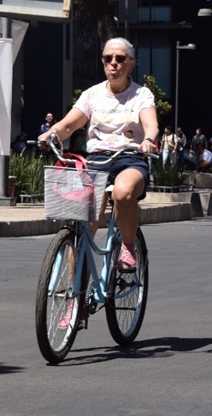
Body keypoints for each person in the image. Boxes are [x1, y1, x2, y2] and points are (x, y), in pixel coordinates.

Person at [38, 38, 157, 271]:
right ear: (103, 63)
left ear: (131, 64)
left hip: (130, 158)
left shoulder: (142, 94)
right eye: (108, 59)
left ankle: (128, 245)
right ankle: (75, 296)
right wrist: (50, 135)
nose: (114, 63)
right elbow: (68, 125)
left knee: (123, 192)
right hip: (96, 161)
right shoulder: (92, 94)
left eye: (120, 59)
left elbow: (150, 124)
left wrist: (148, 140)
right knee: (82, 230)